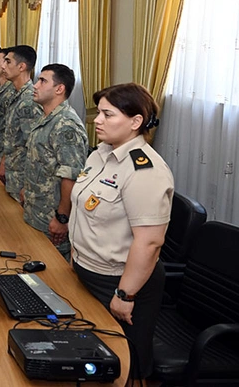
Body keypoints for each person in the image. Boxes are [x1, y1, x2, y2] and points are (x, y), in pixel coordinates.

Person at [69, 83, 173, 379]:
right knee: (94, 355)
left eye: (107, 114)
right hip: (88, 270)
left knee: (125, 364)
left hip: (121, 282)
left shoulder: (145, 170)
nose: (97, 120)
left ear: (135, 122)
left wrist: (125, 294)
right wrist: (75, 257)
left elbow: (150, 242)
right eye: (98, 113)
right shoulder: (100, 154)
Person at [22, 64, 88, 258]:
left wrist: (62, 218)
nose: (35, 85)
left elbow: (71, 176)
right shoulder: (46, 117)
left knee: (52, 274)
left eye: (43, 81)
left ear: (59, 89)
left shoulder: (65, 125)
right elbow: (39, 160)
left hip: (50, 215)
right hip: (36, 208)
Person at [0, 46, 41, 201]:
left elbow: (33, 147)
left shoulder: (29, 100)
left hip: (21, 177)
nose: (3, 66)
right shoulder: (16, 94)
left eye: (8, 62)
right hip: (12, 171)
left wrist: (27, 185)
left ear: (21, 66)